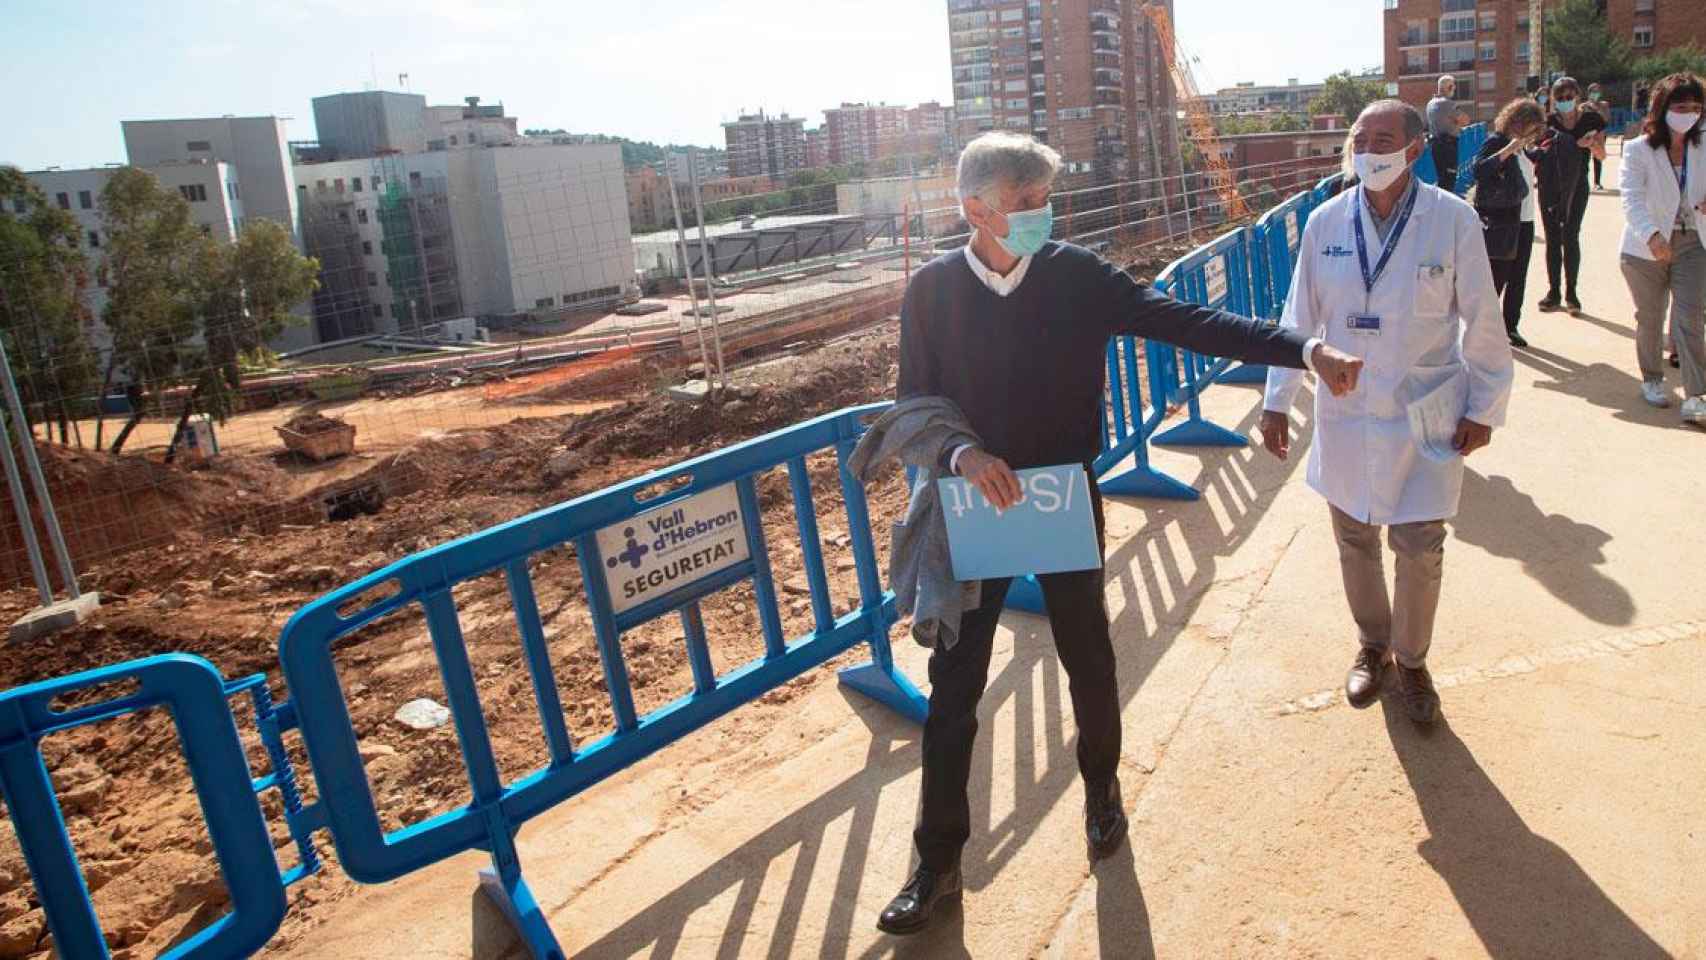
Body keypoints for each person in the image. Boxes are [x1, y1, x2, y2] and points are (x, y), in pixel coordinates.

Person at [878, 131, 1363, 935]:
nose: (1042, 215)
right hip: (976, 507)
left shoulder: (1076, 278)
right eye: (1024, 204)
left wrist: (1301, 349)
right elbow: (912, 402)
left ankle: (1100, 788)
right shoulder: (931, 292)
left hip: (1063, 496)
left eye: (1044, 200)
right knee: (953, 689)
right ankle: (937, 861)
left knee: (1087, 657)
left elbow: (1184, 321)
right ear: (974, 208)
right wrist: (961, 455)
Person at [1260, 101, 1515, 725]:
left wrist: (1485, 406)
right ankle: (1373, 646)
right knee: (1354, 540)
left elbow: (1483, 318)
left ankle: (1414, 658)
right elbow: (1298, 319)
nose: (1369, 149)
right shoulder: (1324, 221)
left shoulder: (1451, 220)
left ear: (1414, 147)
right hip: (1347, 411)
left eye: (1383, 138)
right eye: (1360, 137)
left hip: (1424, 407)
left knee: (1420, 546)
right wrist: (1275, 401)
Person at [1617, 72, 1706, 424]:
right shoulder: (1640, 149)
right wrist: (1652, 236)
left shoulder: (1703, 144)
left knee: (1690, 317)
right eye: (1682, 106)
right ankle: (1652, 378)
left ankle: (1696, 394)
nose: (1690, 113)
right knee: (1650, 317)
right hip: (1645, 248)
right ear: (1663, 108)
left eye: (1697, 107)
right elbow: (1631, 196)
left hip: (1693, 242)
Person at [1472, 99, 1547, 346]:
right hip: (1501, 221)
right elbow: (1479, 170)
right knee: (1495, 279)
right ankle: (1483, 331)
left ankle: (1510, 327)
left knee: (1519, 278)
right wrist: (1507, 151)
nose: (1532, 134)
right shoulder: (1497, 141)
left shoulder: (1525, 148)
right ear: (1516, 122)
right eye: (1530, 128)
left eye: (1535, 130)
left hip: (1525, 220)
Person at [1537, 77, 1607, 316]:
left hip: (1577, 186)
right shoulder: (1547, 122)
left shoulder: (1591, 120)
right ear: (1554, 100)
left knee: (1571, 236)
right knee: (1552, 238)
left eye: (1569, 97)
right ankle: (1553, 291)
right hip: (1550, 186)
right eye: (1560, 98)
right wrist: (1569, 143)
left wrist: (1589, 145)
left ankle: (1571, 292)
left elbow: (1602, 155)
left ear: (1578, 96)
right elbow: (1538, 150)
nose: (1565, 102)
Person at [1427, 75, 1462, 194]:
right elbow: (1465, 120)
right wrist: (1456, 122)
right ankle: (1445, 208)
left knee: (1442, 178)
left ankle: (1440, 207)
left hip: (1435, 144)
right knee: (1449, 180)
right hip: (1448, 145)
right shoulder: (1448, 103)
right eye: (1453, 87)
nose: (1454, 90)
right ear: (1449, 87)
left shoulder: (1430, 103)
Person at [1586, 83, 1612, 189]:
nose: (1595, 94)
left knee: (1598, 158)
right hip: (1587, 134)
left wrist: (1598, 110)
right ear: (1589, 93)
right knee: (1585, 159)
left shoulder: (1604, 105)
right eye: (1593, 91)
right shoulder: (1585, 105)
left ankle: (1597, 182)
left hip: (1600, 134)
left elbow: (1607, 119)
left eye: (1597, 91)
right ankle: (1584, 182)